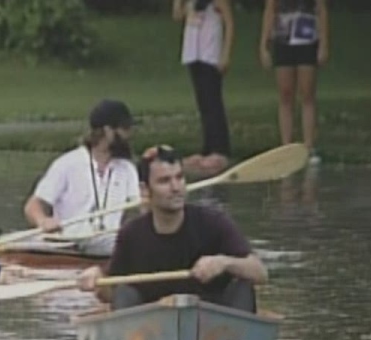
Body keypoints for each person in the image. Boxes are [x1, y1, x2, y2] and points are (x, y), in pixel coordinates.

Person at [76, 145, 268, 313]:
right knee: (125, 292)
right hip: (151, 330)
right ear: (145, 190)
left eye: (179, 177)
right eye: (164, 181)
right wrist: (97, 281)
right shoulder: (132, 235)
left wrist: (224, 263)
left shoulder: (213, 222)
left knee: (243, 285)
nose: (176, 187)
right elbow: (112, 294)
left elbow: (260, 272)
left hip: (217, 325)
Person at [22, 99, 142, 258]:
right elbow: (33, 205)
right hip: (70, 243)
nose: (129, 135)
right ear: (107, 131)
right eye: (125, 129)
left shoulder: (127, 169)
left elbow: (140, 210)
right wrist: (43, 221)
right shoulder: (68, 163)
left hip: (108, 243)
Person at [259, 0, 328, 165]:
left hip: (306, 38)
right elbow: (270, 10)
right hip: (283, 39)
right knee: (285, 95)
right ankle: (286, 147)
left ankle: (309, 146)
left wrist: (324, 43)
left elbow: (320, 9)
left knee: (307, 94)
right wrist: (264, 44)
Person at [174, 0, 235, 175]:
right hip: (194, 52)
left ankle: (220, 148)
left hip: (211, 52)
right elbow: (177, 16)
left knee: (213, 100)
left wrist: (225, 53)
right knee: (203, 102)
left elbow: (229, 23)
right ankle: (208, 146)